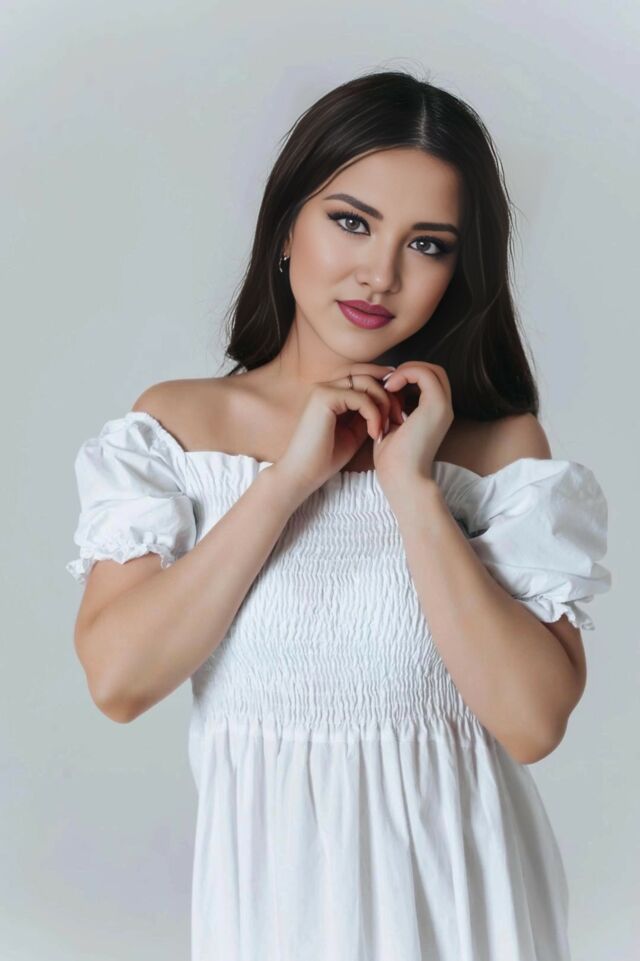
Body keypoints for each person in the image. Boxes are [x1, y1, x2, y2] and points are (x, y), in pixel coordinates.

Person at [66, 70, 612, 961]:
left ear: (458, 273)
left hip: (465, 909)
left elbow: (531, 722)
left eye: (427, 244)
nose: (380, 274)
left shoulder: (497, 448)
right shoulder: (178, 427)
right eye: (352, 222)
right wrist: (288, 481)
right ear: (287, 226)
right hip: (272, 914)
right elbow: (119, 680)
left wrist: (413, 488)